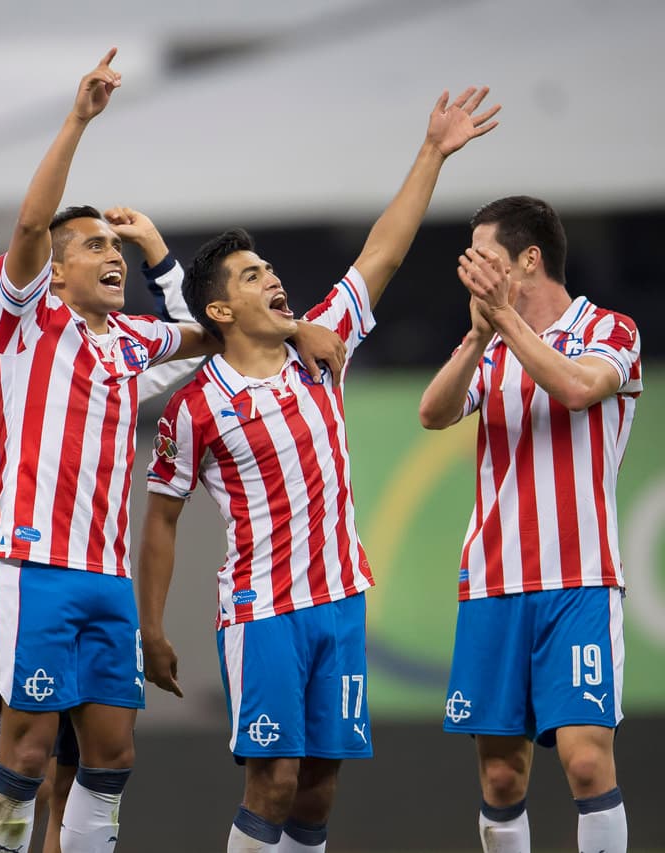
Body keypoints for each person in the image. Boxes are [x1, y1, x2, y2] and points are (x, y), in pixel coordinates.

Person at [139, 88, 500, 852]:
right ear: (220, 312)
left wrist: (432, 152)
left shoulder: (322, 346)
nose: (272, 278)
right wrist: (153, 626)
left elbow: (383, 253)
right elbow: (162, 517)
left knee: (319, 786)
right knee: (271, 781)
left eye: (269, 267)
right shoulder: (196, 406)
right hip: (263, 609)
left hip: (340, 600)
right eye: (249, 275)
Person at [0, 210, 262, 851]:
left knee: (105, 758)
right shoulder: (4, 362)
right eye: (96, 246)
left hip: (104, 580)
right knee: (30, 759)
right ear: (43, 283)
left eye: (112, 247)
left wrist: (156, 250)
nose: (112, 255)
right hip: (28, 574)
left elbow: (199, 340)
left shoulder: (116, 351)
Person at [417, 196, 638, 853]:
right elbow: (433, 413)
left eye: (486, 258)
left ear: (529, 259)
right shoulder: (491, 345)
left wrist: (505, 321)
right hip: (493, 581)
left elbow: (577, 388)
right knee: (501, 774)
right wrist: (478, 336)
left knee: (587, 761)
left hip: (579, 578)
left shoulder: (608, 329)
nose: (474, 272)